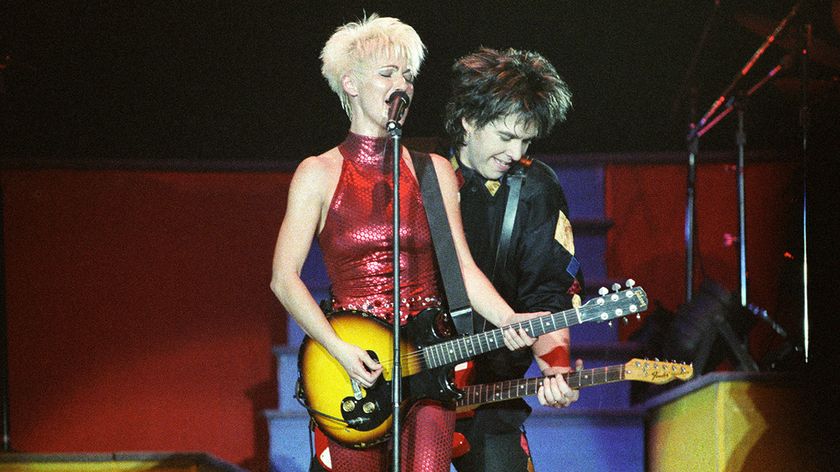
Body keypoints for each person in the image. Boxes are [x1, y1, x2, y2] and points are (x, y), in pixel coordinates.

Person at [270, 16, 553, 472]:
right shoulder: (317, 173)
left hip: (430, 359)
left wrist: (507, 317)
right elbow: (284, 279)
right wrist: (338, 348)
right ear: (351, 84)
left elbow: (461, 267)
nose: (400, 83)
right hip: (351, 365)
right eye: (387, 73)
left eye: (407, 75)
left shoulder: (434, 171)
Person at [443, 47, 586, 472]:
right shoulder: (424, 173)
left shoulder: (536, 187)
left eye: (526, 139)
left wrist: (556, 367)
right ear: (468, 121)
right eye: (506, 137)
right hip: (412, 382)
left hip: (490, 388)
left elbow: (550, 288)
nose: (516, 151)